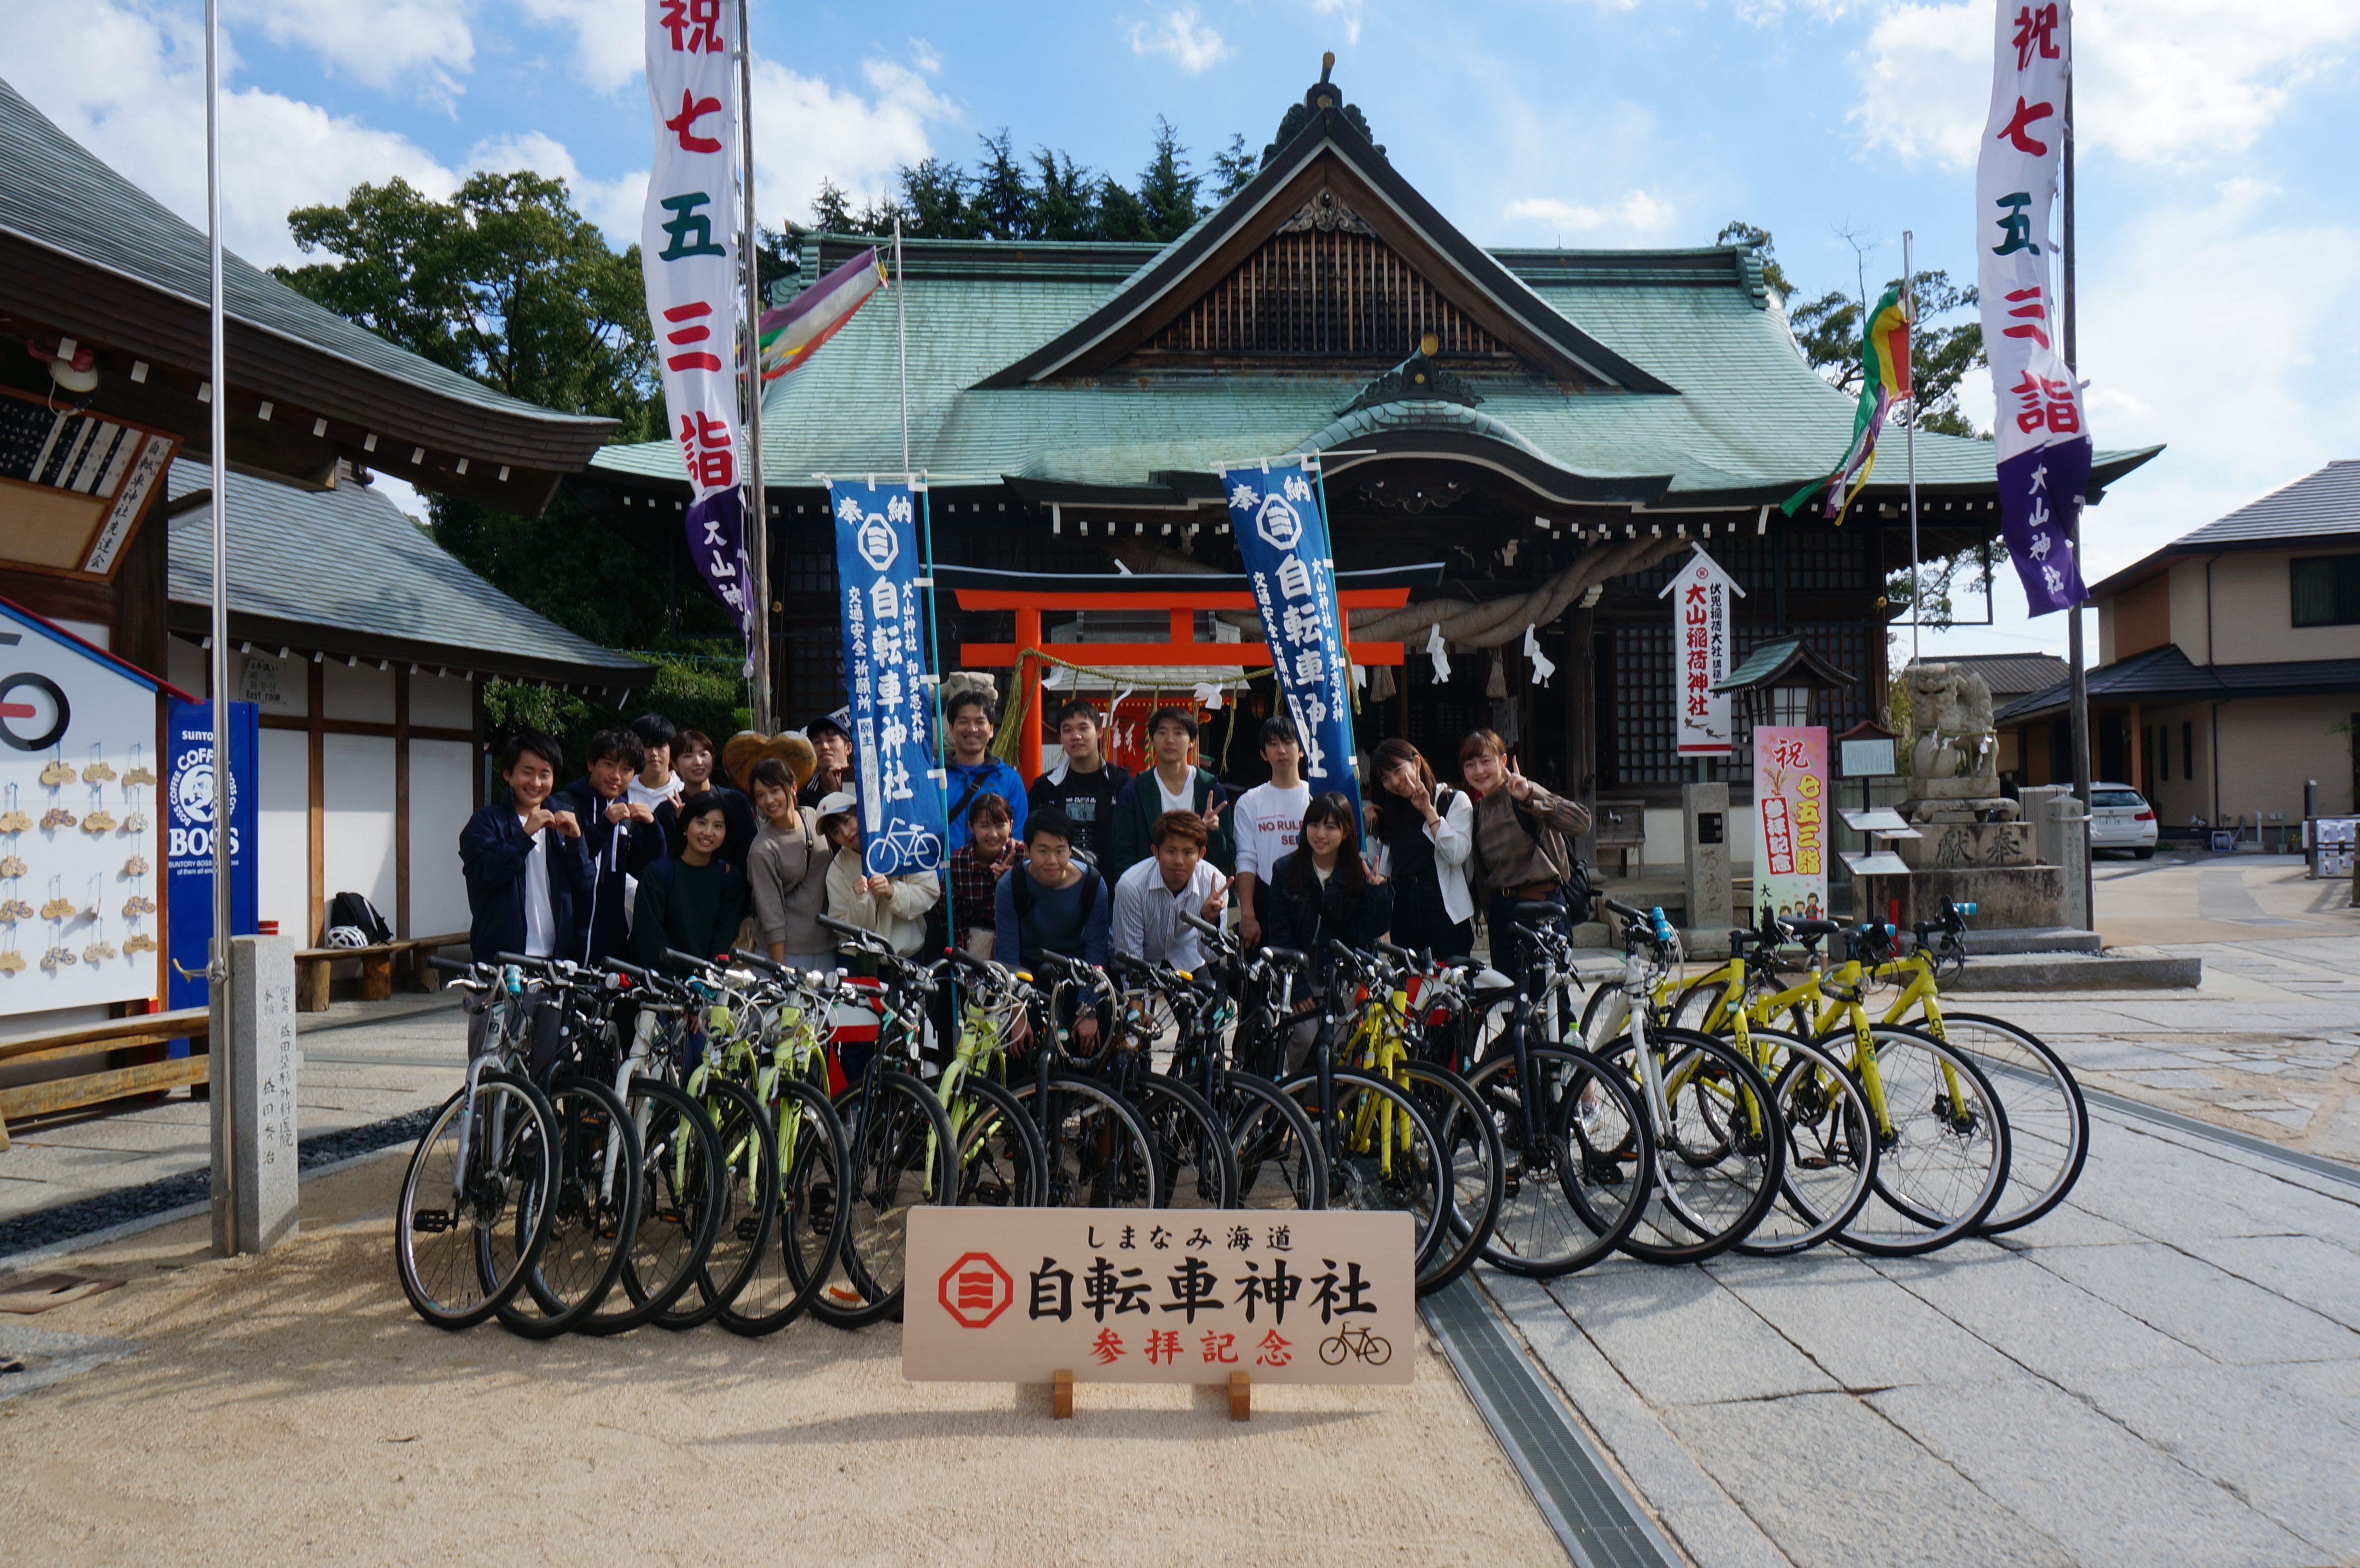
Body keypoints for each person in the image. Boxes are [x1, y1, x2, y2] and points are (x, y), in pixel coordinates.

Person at [458, 733, 590, 1068]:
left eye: (545, 774)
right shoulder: (486, 822)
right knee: (489, 1065)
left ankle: (535, 1124)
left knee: (547, 1068)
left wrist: (576, 843)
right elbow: (484, 874)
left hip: (552, 966)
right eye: (526, 772)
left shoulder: (562, 823)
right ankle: (484, 1124)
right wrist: (525, 834)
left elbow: (586, 885)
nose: (536, 782)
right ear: (507, 775)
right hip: (501, 965)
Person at [1266, 792, 1392, 1070]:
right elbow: (1279, 934)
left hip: (1342, 974)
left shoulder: (1359, 872)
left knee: (1340, 1041)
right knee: (1307, 1036)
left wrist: (1378, 892)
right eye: (1314, 825)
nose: (1320, 834)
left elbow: (1374, 930)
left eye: (1331, 827)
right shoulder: (1286, 870)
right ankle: (1298, 1106)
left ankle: (1331, 1107)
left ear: (1347, 832)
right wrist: (1297, 989)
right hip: (1298, 970)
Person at [1461, 729, 1592, 972]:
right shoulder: (1477, 813)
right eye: (1470, 764)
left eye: (1486, 761)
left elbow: (1582, 822)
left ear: (1502, 761)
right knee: (1511, 1000)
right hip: (1502, 914)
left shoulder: (1524, 792)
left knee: (1551, 1000)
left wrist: (1531, 796)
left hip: (1542, 906)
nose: (1479, 771)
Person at [993, 808, 1111, 1052]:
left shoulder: (1092, 885)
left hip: (1078, 970)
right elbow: (1007, 955)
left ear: (1071, 849)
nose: (1052, 861)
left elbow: (1097, 953)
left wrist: (1088, 1008)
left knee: (1090, 1045)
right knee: (1017, 1048)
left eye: (1060, 851)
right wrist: (1017, 1011)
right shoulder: (1010, 885)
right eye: (1043, 851)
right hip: (1027, 971)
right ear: (1026, 850)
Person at [552, 727, 664, 965]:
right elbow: (569, 863)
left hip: (613, 943)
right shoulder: (564, 805)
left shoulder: (629, 816)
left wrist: (654, 828)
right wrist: (604, 824)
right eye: (609, 765)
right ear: (591, 764)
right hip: (564, 941)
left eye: (626, 770)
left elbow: (649, 870)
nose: (617, 776)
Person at [1367, 736, 1476, 960]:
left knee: (1450, 987)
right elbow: (1378, 866)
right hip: (1403, 911)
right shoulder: (1390, 812)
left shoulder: (1453, 801)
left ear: (1416, 762)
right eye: (1385, 778)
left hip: (1444, 913)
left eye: (1398, 770)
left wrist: (1429, 812)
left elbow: (1456, 854)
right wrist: (1370, 830)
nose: (1395, 782)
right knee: (1408, 989)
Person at [1108, 706, 1232, 880]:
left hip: (1201, 892)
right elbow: (1123, 855)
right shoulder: (1134, 791)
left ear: (1192, 741)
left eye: (1179, 733)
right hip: (1149, 891)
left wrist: (1214, 831)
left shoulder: (1210, 789)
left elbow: (1228, 857)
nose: (1170, 740)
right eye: (1162, 733)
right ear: (1151, 739)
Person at [633, 790, 748, 975]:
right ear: (685, 826)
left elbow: (723, 939)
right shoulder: (658, 872)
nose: (709, 833)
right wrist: (669, 982)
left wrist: (706, 978)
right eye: (701, 823)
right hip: (657, 983)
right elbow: (648, 936)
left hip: (706, 985)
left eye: (718, 826)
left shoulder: (729, 877)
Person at [817, 791, 940, 959]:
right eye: (836, 832)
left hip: (907, 956)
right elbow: (841, 927)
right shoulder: (837, 869)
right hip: (860, 960)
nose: (846, 833)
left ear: (860, 812)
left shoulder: (901, 840)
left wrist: (892, 892)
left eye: (847, 821)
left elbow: (929, 892)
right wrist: (859, 899)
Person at [1111, 810, 1229, 973]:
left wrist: (1209, 922)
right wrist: (1140, 997)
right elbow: (1130, 958)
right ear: (1155, 852)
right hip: (1143, 962)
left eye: (1188, 852)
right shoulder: (1131, 886)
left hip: (1188, 958)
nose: (1179, 861)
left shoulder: (1215, 884)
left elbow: (1212, 956)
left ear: (1201, 854)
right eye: (1171, 852)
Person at [746, 757, 835, 972]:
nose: (769, 800)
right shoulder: (763, 850)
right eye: (760, 795)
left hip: (827, 947)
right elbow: (771, 918)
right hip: (787, 954)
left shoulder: (814, 817)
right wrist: (780, 973)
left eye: (775, 790)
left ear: (793, 787)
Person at [1228, 716, 1310, 949]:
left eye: (1289, 742)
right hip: (1267, 899)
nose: (1282, 750)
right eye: (1273, 744)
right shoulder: (1249, 802)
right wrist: (1248, 915)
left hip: (1310, 899)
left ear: (1302, 750)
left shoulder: (1317, 797)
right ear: (1264, 753)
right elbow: (1246, 860)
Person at [1026, 700, 1130, 863]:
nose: (1076, 736)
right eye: (1067, 730)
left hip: (1113, 879)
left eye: (1083, 728)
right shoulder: (1045, 786)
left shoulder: (1121, 783)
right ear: (1060, 737)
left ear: (1099, 732)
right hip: (1059, 877)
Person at [942, 689, 1027, 855]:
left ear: (991, 729)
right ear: (951, 729)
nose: (972, 729)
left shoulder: (1009, 779)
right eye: (964, 722)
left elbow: (1018, 836)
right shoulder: (932, 776)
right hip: (940, 877)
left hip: (994, 877)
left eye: (980, 722)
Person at [669, 727, 757, 867]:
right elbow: (667, 860)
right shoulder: (668, 810)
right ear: (675, 765)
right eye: (688, 756)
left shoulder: (735, 801)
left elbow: (749, 852)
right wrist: (683, 825)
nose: (698, 762)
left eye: (703, 754)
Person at [945, 792, 1019, 958]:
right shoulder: (957, 862)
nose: (993, 834)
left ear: (1011, 826)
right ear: (971, 827)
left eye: (1001, 825)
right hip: (974, 947)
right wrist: (963, 954)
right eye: (985, 826)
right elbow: (950, 916)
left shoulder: (1023, 857)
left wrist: (1015, 882)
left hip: (1018, 944)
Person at [798, 713, 854, 809]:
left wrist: (837, 794)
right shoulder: (803, 794)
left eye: (831, 740)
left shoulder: (862, 785)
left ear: (848, 748)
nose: (825, 747)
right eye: (818, 742)